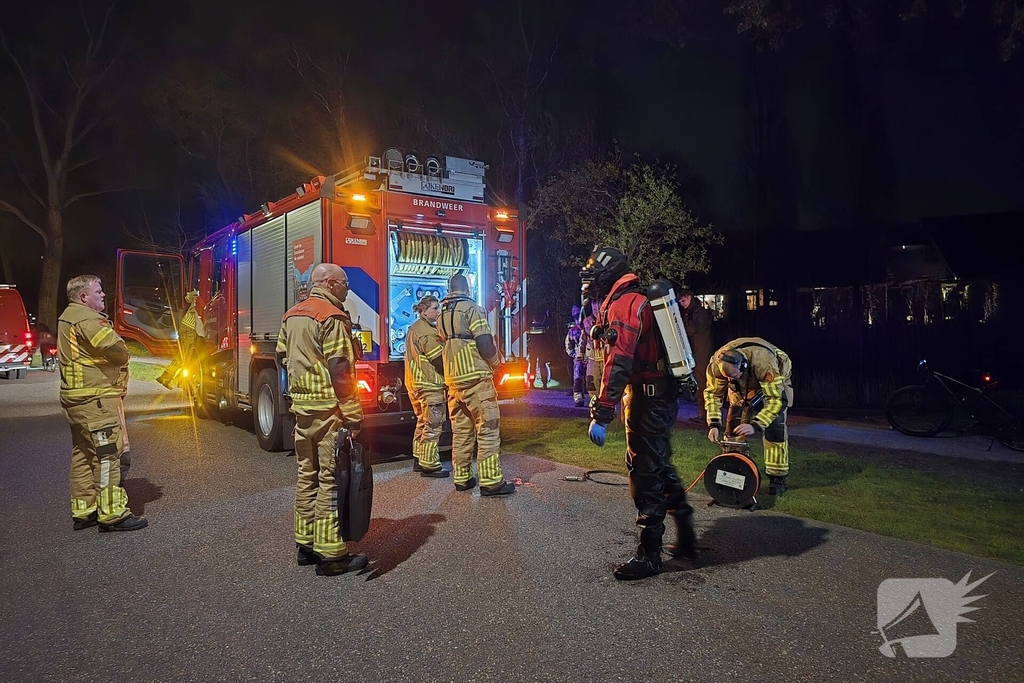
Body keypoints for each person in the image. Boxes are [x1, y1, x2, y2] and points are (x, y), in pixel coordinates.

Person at [581, 246, 697, 580]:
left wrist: (602, 413)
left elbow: (618, 362)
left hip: (648, 400)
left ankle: (649, 554)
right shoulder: (632, 299)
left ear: (608, 274)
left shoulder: (625, 305)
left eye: (592, 275)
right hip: (658, 397)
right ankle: (686, 532)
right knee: (658, 464)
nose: (589, 282)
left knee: (644, 472)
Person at [276, 263, 368, 575]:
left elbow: (280, 358)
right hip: (329, 410)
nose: (347, 288)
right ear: (329, 283)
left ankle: (305, 544)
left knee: (307, 475)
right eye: (345, 282)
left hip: (302, 410)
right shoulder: (333, 316)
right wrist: (354, 415)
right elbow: (340, 369)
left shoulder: (292, 314)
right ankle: (331, 556)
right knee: (331, 478)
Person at [58, 275, 148, 532]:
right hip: (96, 399)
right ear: (83, 297)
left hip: (76, 400)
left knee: (83, 454)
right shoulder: (87, 319)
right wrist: (123, 349)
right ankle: (113, 514)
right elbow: (116, 350)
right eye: (98, 291)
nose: (103, 296)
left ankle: (84, 510)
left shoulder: (67, 317)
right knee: (108, 454)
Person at [436, 273, 515, 496]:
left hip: (453, 381)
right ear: (468, 288)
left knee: (461, 432)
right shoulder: (472, 308)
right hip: (475, 377)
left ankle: (462, 478)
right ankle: (491, 482)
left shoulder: (442, 313)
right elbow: (484, 341)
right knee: (488, 428)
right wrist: (496, 363)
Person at [704, 337, 793, 495]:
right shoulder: (716, 367)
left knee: (775, 430)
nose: (729, 380)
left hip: (774, 382)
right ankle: (732, 472)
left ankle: (777, 479)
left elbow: (776, 400)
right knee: (733, 429)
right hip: (742, 386)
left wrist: (755, 425)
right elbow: (713, 395)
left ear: (743, 367)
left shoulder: (764, 363)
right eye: (727, 378)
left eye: (733, 376)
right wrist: (714, 424)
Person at [404, 294, 449, 478]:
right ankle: (430, 464)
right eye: (435, 309)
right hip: (429, 385)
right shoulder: (427, 332)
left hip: (416, 384)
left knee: (422, 422)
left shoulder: (415, 328)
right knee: (433, 424)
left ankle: (419, 458)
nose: (438, 312)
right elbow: (439, 360)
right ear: (423, 311)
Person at [677, 289, 713, 423]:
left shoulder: (700, 313)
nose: (681, 303)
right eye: (680, 301)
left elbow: (695, 330)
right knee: (699, 381)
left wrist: (680, 329)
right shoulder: (691, 312)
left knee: (702, 381)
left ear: (690, 297)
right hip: (696, 352)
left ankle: (705, 414)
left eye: (683, 300)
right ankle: (702, 414)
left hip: (701, 352)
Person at [157, 289, 202, 390]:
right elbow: (188, 297)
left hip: (188, 327)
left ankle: (169, 378)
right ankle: (177, 380)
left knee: (184, 355)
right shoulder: (199, 294)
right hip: (190, 328)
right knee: (186, 356)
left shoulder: (198, 295)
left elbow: (188, 298)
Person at [564, 304, 586, 406]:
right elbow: (568, 344)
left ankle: (588, 398)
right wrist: (572, 354)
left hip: (589, 357)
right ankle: (578, 399)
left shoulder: (587, 327)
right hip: (579, 358)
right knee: (577, 379)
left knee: (589, 379)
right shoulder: (573, 331)